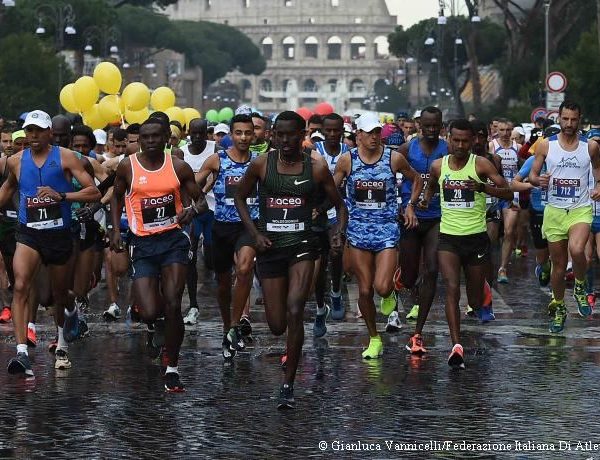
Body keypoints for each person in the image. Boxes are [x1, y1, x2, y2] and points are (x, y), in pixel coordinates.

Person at [235, 110, 347, 409]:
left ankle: (288, 383)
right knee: (276, 324)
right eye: (280, 134)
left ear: (303, 137)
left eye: (292, 135)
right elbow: (239, 198)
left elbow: (339, 205)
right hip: (270, 248)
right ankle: (288, 350)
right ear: (273, 135)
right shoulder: (262, 164)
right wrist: (255, 235)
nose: (286, 140)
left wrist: (338, 233)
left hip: (303, 246)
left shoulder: (317, 167)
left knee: (296, 308)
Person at [2, 110, 100, 376]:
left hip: (59, 234)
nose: (33, 136)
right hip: (29, 233)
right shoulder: (16, 161)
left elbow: (93, 191)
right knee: (21, 285)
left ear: (48, 133)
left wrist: (62, 196)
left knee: (59, 294)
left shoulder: (66, 157)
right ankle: (22, 353)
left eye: (38, 131)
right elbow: (8, 190)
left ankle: (63, 339)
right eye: (29, 131)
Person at [110, 118, 199, 392]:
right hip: (144, 244)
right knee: (149, 311)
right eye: (145, 137)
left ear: (166, 139)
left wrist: (191, 211)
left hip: (173, 241)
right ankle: (159, 324)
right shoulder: (128, 166)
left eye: (155, 137)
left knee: (173, 303)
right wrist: (116, 230)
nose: (150, 141)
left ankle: (172, 365)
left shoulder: (179, 166)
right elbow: (115, 196)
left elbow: (202, 200)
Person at [421, 119, 512, 368]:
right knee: (451, 287)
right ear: (448, 139)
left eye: (465, 141)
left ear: (473, 141)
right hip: (448, 237)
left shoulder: (481, 164)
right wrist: (425, 200)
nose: (460, 145)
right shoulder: (439, 166)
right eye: (456, 140)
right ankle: (456, 346)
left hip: (476, 240)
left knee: (473, 300)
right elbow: (430, 187)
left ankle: (481, 294)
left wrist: (483, 188)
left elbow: (508, 192)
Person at [333, 112, 423, 359]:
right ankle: (374, 338)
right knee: (363, 290)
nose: (374, 137)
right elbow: (331, 187)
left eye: (377, 133)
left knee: (381, 287)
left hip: (386, 231)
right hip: (358, 231)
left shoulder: (393, 158)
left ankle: (390, 292)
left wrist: (410, 205)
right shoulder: (346, 160)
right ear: (358, 135)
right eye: (369, 133)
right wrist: (340, 211)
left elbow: (416, 180)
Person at [529, 101, 600, 332]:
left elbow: (598, 168)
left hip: (580, 209)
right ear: (559, 118)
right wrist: (537, 180)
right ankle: (559, 307)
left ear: (580, 119)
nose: (569, 124)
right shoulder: (545, 146)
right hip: (554, 211)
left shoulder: (589, 147)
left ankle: (580, 286)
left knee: (579, 251)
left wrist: (598, 184)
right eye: (565, 119)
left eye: (573, 119)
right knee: (558, 267)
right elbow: (532, 174)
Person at [195, 114, 258, 359]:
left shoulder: (260, 162)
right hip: (221, 226)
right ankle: (227, 326)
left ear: (254, 135)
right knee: (222, 285)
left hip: (249, 227)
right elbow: (193, 184)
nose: (243, 137)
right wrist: (193, 204)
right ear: (231, 134)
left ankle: (235, 324)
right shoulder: (217, 160)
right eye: (239, 133)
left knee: (244, 269)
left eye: (248, 133)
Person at [398, 107, 448, 353]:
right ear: (419, 125)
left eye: (435, 126)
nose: (430, 130)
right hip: (411, 217)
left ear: (441, 125)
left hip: (437, 217)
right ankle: (407, 280)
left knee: (432, 269)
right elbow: (390, 174)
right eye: (426, 126)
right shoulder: (408, 150)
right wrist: (401, 205)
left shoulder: (448, 149)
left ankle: (418, 332)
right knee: (408, 278)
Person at [311, 112, 350, 336]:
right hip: (318, 213)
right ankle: (319, 308)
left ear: (342, 132)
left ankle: (335, 292)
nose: (333, 134)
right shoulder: (316, 154)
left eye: (337, 130)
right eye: (329, 130)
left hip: (339, 210)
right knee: (317, 267)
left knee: (336, 254)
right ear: (323, 132)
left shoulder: (349, 154)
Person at [181, 118, 216, 326]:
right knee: (189, 257)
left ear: (206, 133)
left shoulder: (215, 149)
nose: (196, 137)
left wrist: (202, 192)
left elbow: (215, 175)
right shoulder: (182, 152)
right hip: (191, 211)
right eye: (193, 133)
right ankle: (193, 305)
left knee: (211, 257)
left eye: (200, 133)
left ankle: (209, 257)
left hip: (210, 208)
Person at [491, 119, 522, 283]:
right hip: (494, 193)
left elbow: (524, 168)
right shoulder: (492, 145)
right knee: (491, 235)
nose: (505, 133)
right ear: (497, 130)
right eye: (502, 130)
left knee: (509, 231)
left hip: (512, 194)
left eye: (508, 130)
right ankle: (485, 263)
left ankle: (503, 268)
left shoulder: (517, 148)